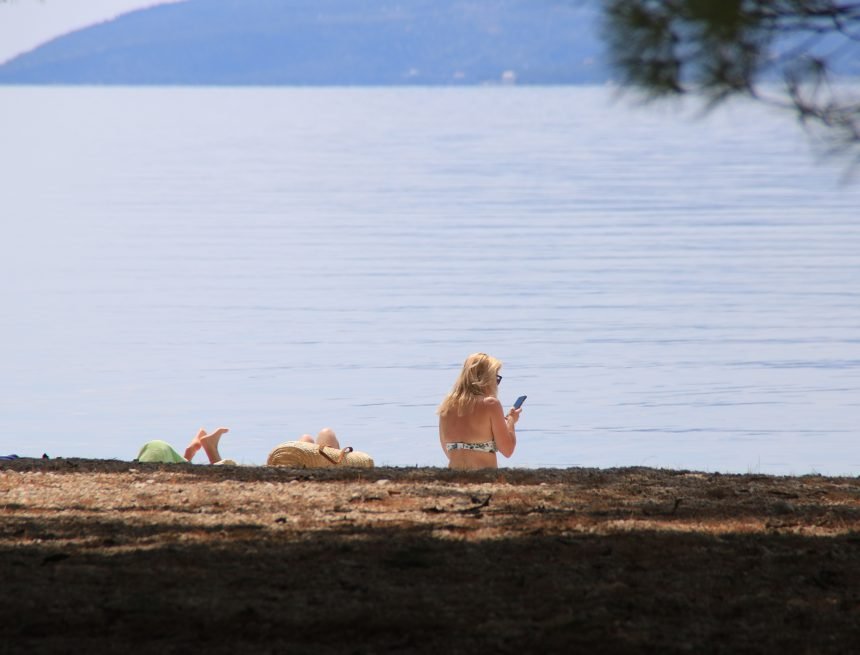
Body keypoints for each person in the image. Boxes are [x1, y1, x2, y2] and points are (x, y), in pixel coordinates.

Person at [437, 353, 522, 470]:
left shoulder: (446, 406)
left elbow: (449, 452)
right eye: (496, 378)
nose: (496, 384)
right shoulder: (491, 404)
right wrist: (511, 421)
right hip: (485, 478)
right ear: (486, 378)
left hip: (453, 478)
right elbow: (507, 450)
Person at [136, 427, 232, 464]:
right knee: (182, 467)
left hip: (157, 453)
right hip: (150, 447)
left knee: (225, 469)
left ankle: (210, 448)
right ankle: (191, 450)